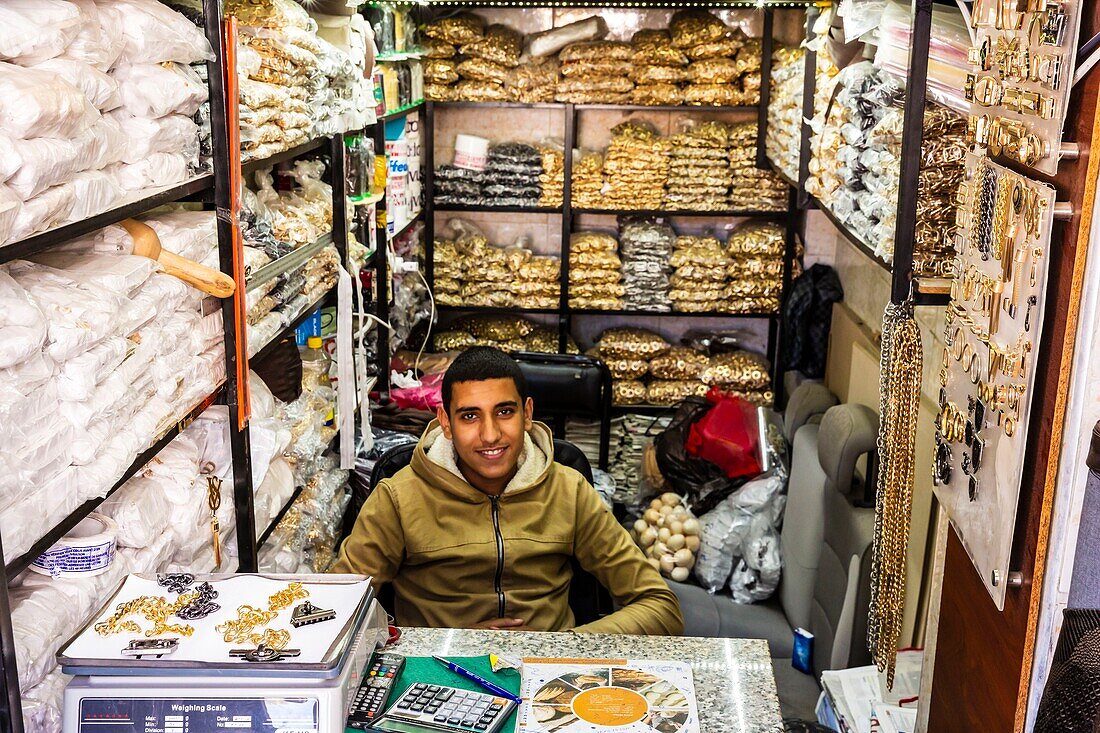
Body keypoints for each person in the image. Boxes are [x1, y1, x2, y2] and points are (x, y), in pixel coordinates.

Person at [334, 347, 683, 635]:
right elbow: (335, 612)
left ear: (527, 414)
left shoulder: (568, 491)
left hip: (550, 677)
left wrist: (561, 647)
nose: (489, 435)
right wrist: (454, 643)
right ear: (445, 422)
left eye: (504, 412)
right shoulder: (398, 499)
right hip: (437, 680)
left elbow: (659, 606)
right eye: (470, 416)